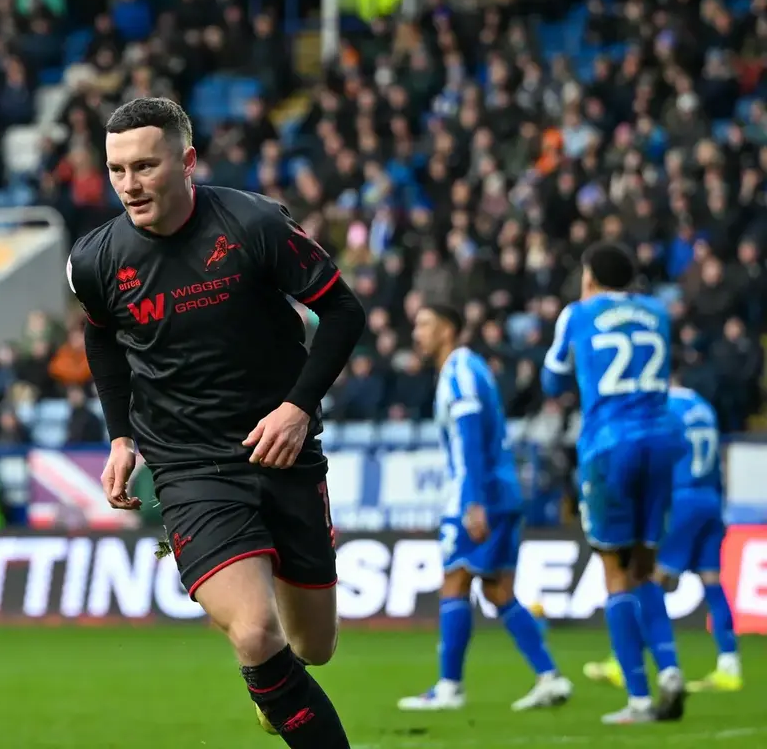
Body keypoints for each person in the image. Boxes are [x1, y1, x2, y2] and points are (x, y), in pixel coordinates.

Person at [67, 97, 365, 747]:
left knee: (313, 646)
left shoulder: (255, 224)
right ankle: (269, 674)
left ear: (187, 162)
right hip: (188, 466)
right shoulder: (95, 259)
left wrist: (297, 408)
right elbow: (101, 338)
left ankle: (274, 686)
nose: (129, 184)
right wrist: (120, 435)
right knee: (256, 634)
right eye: (117, 170)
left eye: (145, 166)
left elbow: (344, 312)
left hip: (283, 451)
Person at [398, 303, 573, 712]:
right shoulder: (467, 369)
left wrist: (473, 501)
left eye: (425, 324)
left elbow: (471, 437)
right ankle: (549, 676)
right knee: (497, 590)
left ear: (448, 329)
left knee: (455, 581)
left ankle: (449, 687)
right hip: (501, 492)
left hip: (481, 493)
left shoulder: (460, 370)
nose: (417, 333)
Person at [541, 241, 686, 725]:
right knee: (645, 564)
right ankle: (670, 669)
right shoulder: (657, 311)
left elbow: (552, 380)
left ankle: (639, 698)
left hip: (610, 444)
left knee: (615, 572)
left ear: (590, 277)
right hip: (661, 439)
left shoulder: (578, 313)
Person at [583, 383, 742, 693]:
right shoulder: (703, 405)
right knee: (712, 580)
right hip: (710, 499)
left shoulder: (665, 408)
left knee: (648, 580)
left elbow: (662, 456)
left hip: (682, 499)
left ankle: (625, 660)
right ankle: (730, 664)